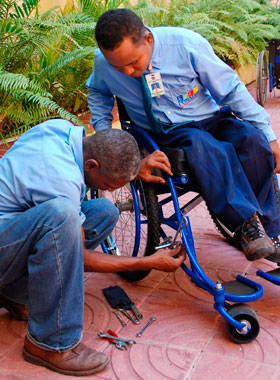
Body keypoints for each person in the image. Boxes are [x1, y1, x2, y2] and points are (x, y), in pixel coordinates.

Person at [86, 8, 280, 263]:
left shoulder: (185, 45)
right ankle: (246, 224)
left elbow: (231, 90)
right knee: (205, 146)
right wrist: (107, 137)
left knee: (251, 140)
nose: (129, 72)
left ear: (147, 39)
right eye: (118, 67)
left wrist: (269, 136)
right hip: (165, 132)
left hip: (211, 117)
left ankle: (270, 228)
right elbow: (98, 94)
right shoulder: (102, 62)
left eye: (134, 63)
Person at [0, 119, 186, 376]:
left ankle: (15, 293)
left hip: (11, 232)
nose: (106, 190)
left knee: (104, 211)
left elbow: (96, 168)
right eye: (108, 186)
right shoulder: (60, 179)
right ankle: (51, 344)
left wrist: (133, 169)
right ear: (91, 165)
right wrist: (149, 262)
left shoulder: (63, 133)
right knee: (62, 216)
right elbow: (79, 258)